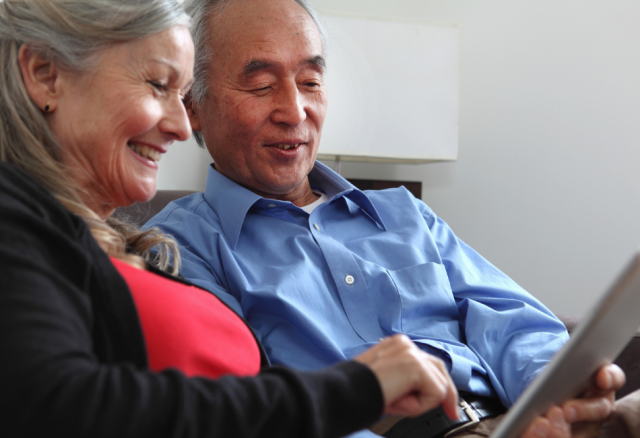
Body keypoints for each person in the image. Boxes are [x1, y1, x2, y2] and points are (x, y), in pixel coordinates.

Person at [142, 0, 626, 437]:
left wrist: (552, 396)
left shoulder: (403, 213)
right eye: (262, 85)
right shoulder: (178, 247)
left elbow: (513, 320)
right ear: (193, 107)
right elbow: (246, 410)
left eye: (311, 82)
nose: (295, 110)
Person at [0, 0, 481, 436]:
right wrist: (355, 390)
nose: (180, 125)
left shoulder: (91, 240)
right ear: (45, 75)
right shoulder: (19, 219)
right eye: (156, 84)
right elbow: (56, 406)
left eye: (311, 81)